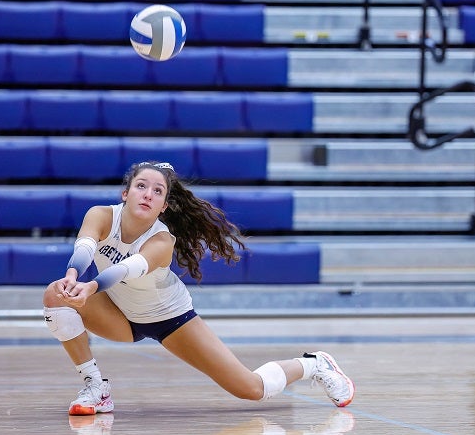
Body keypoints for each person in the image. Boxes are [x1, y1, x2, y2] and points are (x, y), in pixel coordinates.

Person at [43, 161, 355, 416]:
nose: (147, 194)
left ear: (164, 205)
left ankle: (313, 364)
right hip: (120, 314)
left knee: (250, 388)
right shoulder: (100, 215)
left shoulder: (161, 240)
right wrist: (73, 275)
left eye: (157, 191)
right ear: (125, 193)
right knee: (56, 293)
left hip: (171, 319)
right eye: (141, 186)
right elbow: (84, 247)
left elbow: (127, 269)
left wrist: (92, 285)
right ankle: (96, 387)